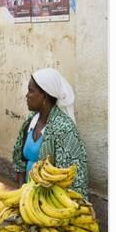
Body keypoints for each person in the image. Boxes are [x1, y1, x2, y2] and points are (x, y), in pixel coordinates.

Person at [12, 68, 88, 197]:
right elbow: (20, 162)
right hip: (28, 198)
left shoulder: (64, 129)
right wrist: (21, 193)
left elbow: (67, 180)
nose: (26, 95)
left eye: (31, 91)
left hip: (52, 202)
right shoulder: (30, 121)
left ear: (45, 96)